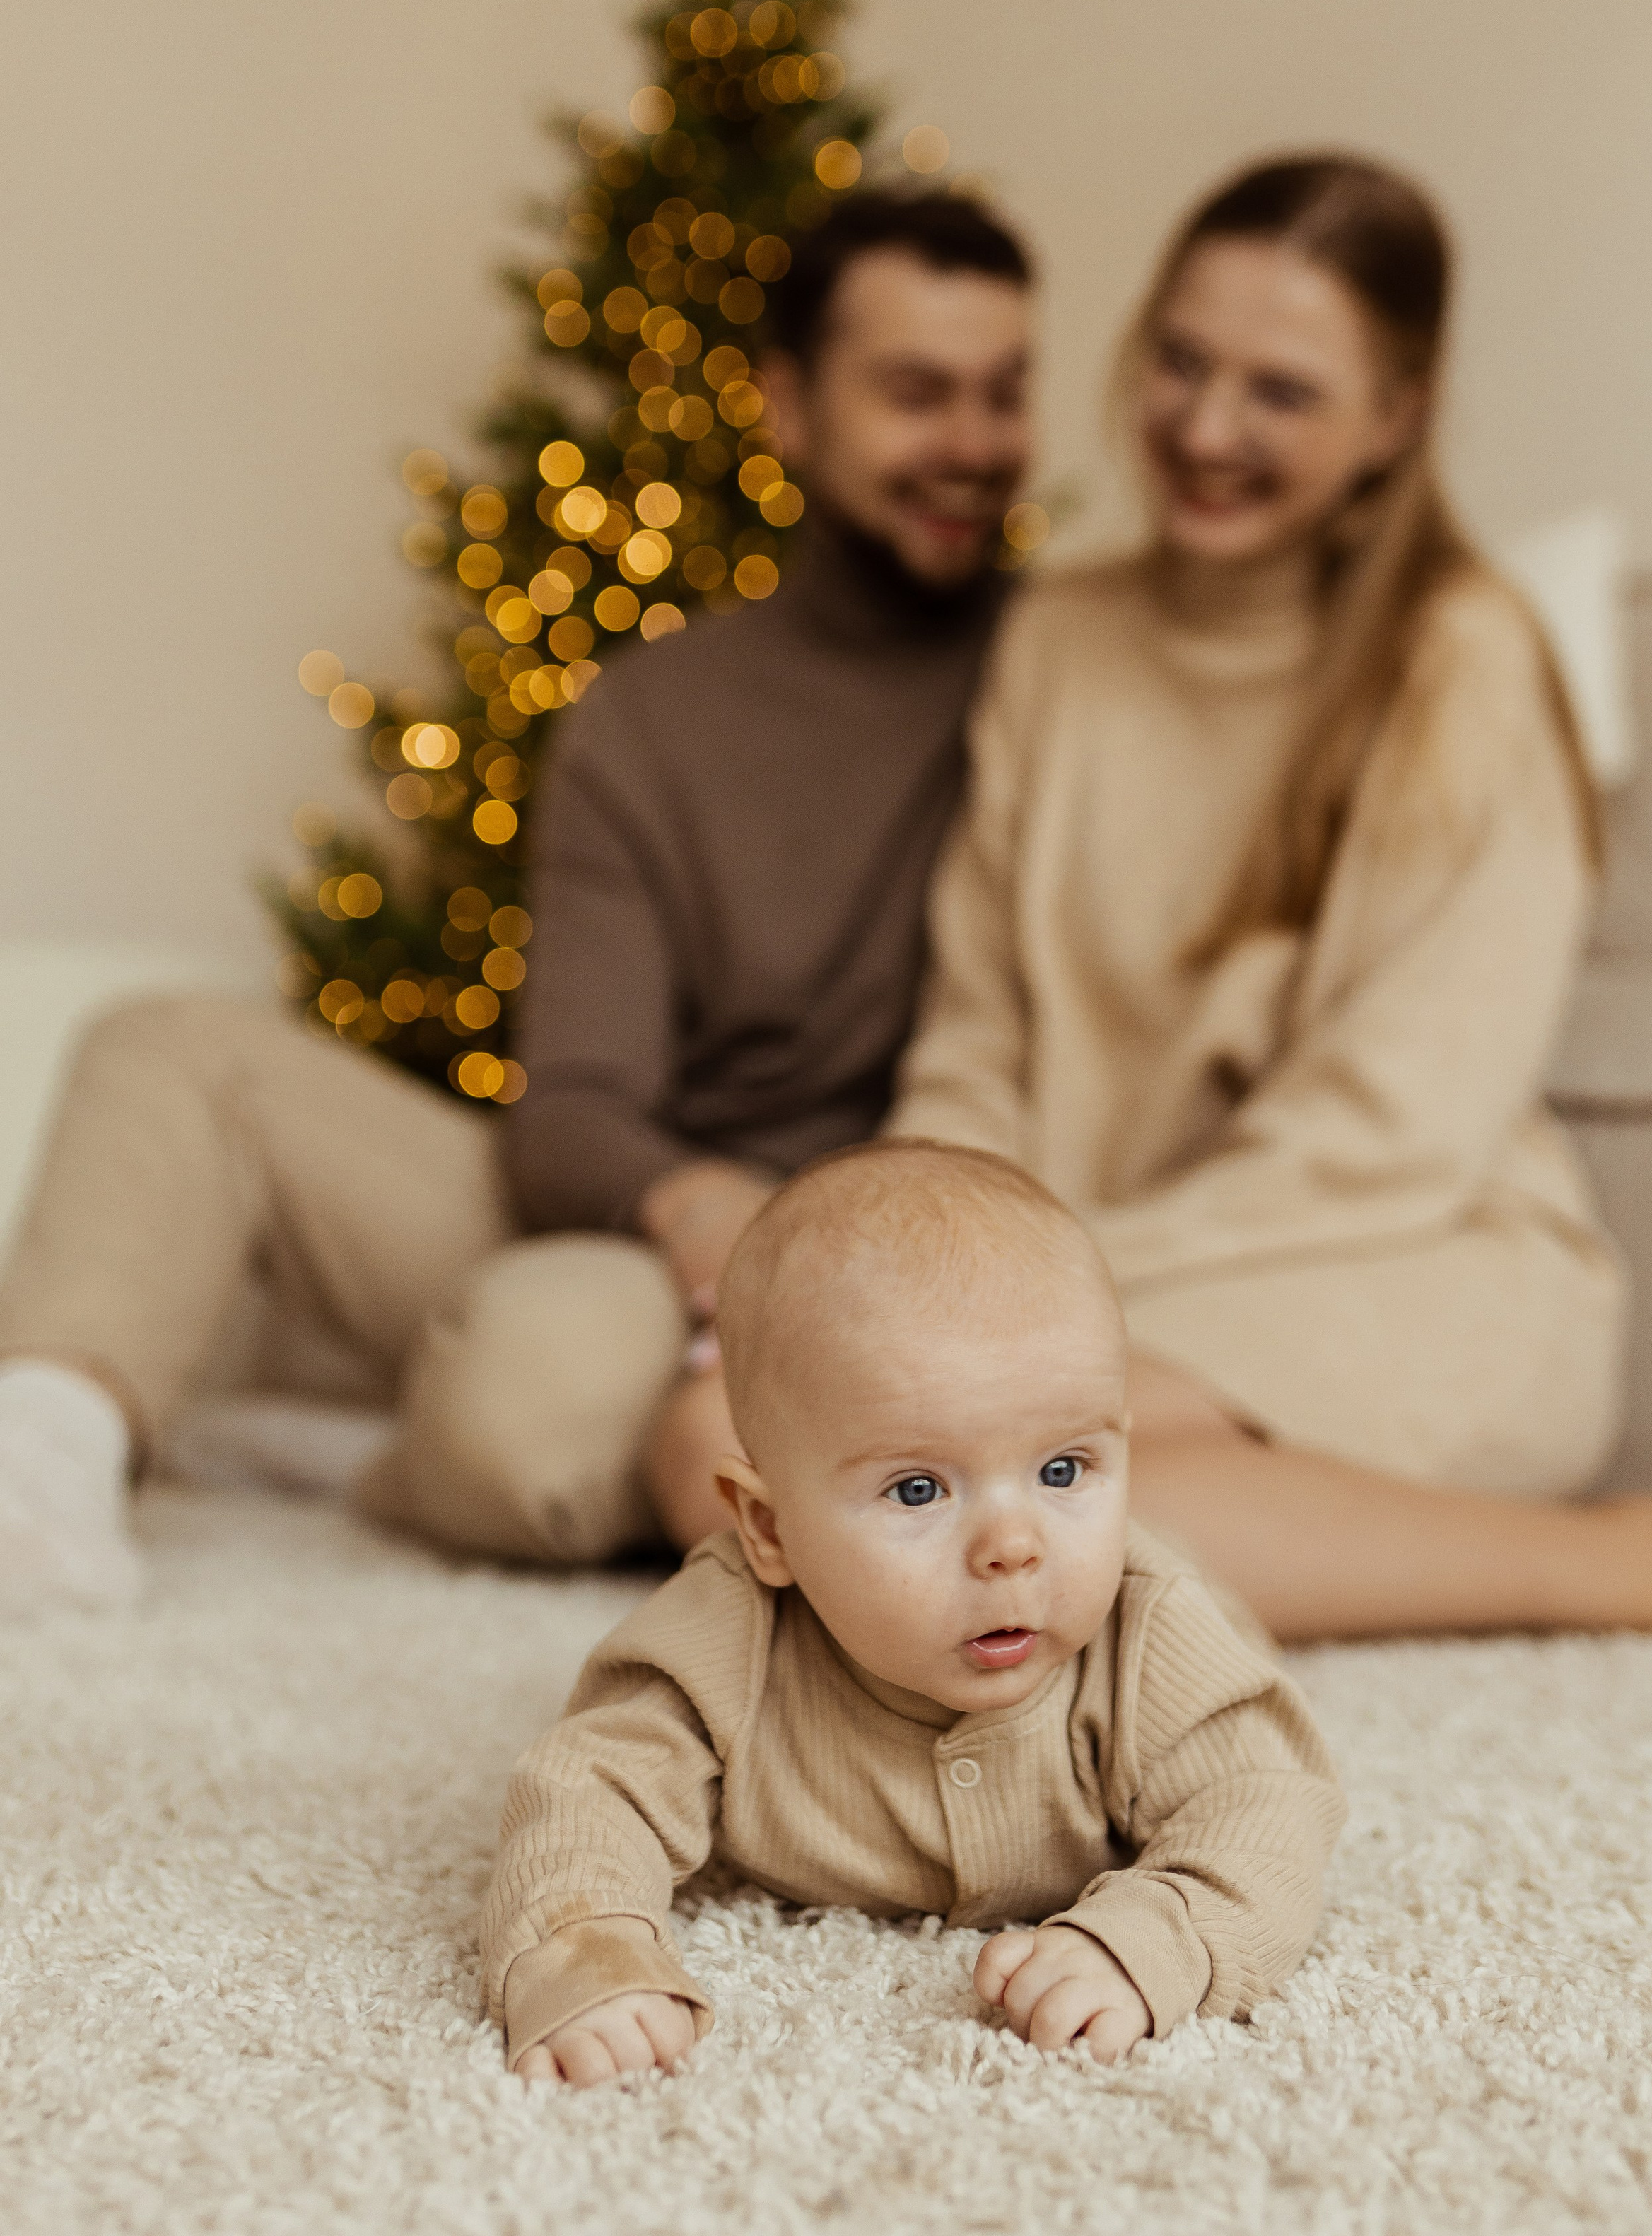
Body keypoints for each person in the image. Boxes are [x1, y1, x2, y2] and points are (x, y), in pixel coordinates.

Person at [662, 153, 1652, 1644]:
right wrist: (926, 1268)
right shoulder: (1059, 639)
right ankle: (1546, 1557)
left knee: (938, 1505)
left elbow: (1385, 1138)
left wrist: (1036, 1290)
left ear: (1392, 416)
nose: (1205, 428)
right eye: (1182, 362)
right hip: (1102, 1279)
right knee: (726, 1450)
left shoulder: (1461, 657)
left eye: (1280, 392)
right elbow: (977, 1039)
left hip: (1400, 1261)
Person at [0, 189, 1034, 1616]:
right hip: (647, 1235)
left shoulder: (1063, 677)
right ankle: (42, 1458)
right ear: (790, 407)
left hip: (857, 1271)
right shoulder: (656, 712)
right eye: (917, 394)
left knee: (528, 1399)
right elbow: (574, 1111)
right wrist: (694, 1205)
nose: (972, 443)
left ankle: (384, 1450)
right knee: (165, 1049)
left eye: (1003, 392)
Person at [482, 1140, 1345, 2085]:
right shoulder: (723, 1639)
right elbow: (588, 1790)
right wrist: (585, 1950)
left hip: (1201, 1647)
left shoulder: (1150, 1632)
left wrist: (1158, 1935)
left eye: (1064, 1470)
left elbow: (1266, 1804)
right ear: (769, 1528)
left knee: (1242, 1698)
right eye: (919, 1489)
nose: (1012, 1544)